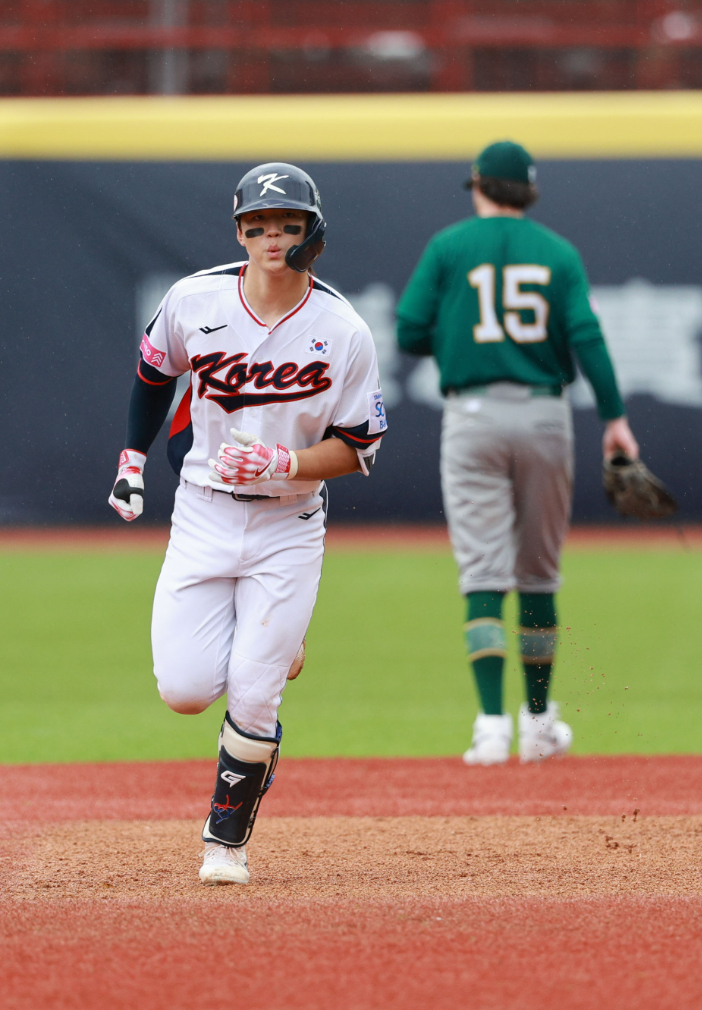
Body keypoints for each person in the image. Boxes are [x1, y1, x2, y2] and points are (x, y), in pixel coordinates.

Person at [109, 163, 386, 883]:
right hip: (200, 514)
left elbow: (359, 448)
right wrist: (133, 459)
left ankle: (224, 842)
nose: (272, 238)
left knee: (255, 688)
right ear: (239, 232)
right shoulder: (193, 299)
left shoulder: (343, 329)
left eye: (288, 225)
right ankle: (276, 641)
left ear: (311, 234)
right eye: (258, 226)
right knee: (184, 691)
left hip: (289, 524)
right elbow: (153, 376)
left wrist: (286, 465)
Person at [396, 141, 637, 766]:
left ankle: (490, 725)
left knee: (482, 574)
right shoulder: (557, 252)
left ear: (478, 186)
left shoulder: (449, 246)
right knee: (538, 572)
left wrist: (458, 335)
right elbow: (586, 335)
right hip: (543, 413)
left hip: (472, 414)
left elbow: (408, 330)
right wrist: (614, 417)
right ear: (527, 191)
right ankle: (537, 723)